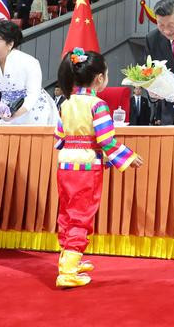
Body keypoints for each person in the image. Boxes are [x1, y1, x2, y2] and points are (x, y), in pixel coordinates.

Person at [53, 49, 143, 288]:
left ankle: (68, 259)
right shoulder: (98, 105)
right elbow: (106, 140)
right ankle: (69, 270)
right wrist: (128, 157)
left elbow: (59, 137)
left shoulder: (67, 102)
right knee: (81, 215)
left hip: (65, 163)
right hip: (86, 165)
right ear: (99, 79)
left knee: (67, 212)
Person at [0, 20, 59, 125]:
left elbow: (33, 94)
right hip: (7, 110)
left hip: (33, 109)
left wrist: (15, 114)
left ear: (10, 44)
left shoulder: (29, 62)